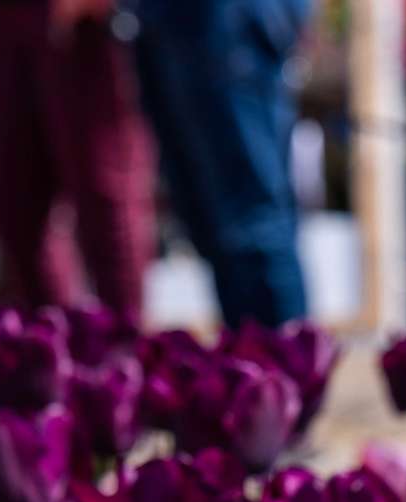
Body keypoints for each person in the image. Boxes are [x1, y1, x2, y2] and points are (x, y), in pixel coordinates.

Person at [0, 0, 155, 319]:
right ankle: (57, 346)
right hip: (7, 27)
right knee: (15, 210)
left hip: (79, 29)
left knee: (104, 205)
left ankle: (126, 350)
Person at [130, 0, 311, 329]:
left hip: (226, 21)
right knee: (211, 227)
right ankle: (248, 367)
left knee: (254, 226)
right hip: (171, 22)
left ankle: (284, 371)